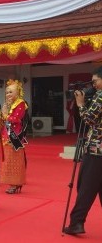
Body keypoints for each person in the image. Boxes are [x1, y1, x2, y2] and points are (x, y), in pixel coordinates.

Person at [63, 66, 102, 235]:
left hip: (96, 149)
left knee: (85, 187)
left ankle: (77, 222)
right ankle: (77, 222)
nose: (93, 85)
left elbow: (89, 118)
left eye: (95, 81)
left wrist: (80, 104)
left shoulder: (101, 95)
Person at [0, 79, 28, 194]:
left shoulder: (21, 103)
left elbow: (16, 119)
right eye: (7, 92)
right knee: (9, 160)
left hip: (15, 136)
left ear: (18, 93)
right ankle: (13, 183)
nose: (8, 94)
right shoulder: (9, 105)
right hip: (7, 135)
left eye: (11, 92)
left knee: (15, 160)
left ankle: (16, 183)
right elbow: (5, 120)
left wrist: (5, 115)